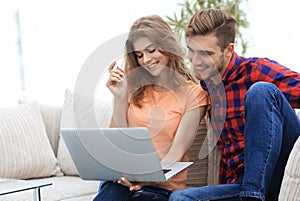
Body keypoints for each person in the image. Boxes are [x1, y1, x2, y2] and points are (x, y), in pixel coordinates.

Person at [168, 8, 300, 201]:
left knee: (260, 91)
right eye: (191, 50)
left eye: (205, 53)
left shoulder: (256, 70)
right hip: (241, 184)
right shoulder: (205, 91)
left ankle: (251, 195)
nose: (195, 61)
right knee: (180, 199)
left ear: (229, 50)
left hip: (280, 170)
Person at [92, 15, 209, 201]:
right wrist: (120, 98)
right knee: (110, 194)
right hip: (121, 182)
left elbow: (176, 153)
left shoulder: (193, 94)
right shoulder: (130, 86)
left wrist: (142, 179)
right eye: (139, 55)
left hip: (160, 187)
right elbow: (116, 142)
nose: (145, 60)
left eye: (151, 50)